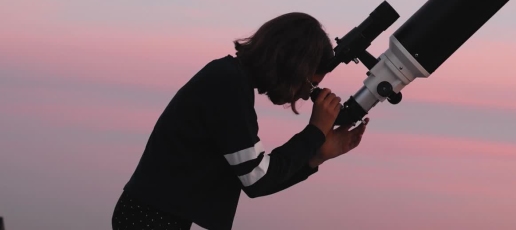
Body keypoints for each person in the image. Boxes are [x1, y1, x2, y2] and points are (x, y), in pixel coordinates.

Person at [111, 12, 368, 230]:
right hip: (150, 219)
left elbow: (255, 178)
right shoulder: (228, 83)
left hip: (155, 216)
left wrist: (317, 156)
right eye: (312, 85)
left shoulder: (231, 80)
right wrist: (314, 132)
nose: (305, 94)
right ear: (294, 66)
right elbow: (257, 178)